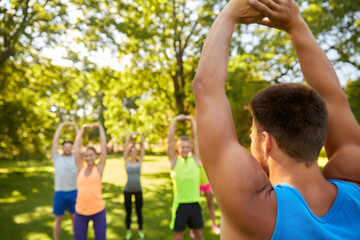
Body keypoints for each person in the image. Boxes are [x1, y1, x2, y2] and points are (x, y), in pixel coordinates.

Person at [192, 0, 360, 238]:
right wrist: (296, 24)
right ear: (318, 135)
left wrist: (230, 12)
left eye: (251, 137)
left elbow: (205, 88)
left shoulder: (255, 210)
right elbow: (334, 97)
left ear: (265, 141)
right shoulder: (354, 183)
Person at [168, 115, 204, 240]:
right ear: (178, 148)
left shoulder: (194, 159)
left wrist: (192, 121)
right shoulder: (174, 161)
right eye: (183, 147)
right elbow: (170, 140)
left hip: (195, 203)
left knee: (199, 234)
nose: (185, 149)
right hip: (180, 205)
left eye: (187, 147)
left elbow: (195, 139)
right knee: (178, 236)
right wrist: (174, 121)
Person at [74, 123, 107, 240]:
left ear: (95, 156)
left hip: (98, 211)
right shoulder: (80, 168)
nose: (88, 158)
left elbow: (103, 146)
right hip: (80, 211)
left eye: (91, 155)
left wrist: (100, 127)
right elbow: (76, 148)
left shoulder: (99, 168)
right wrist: (82, 129)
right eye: (86, 156)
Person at [51, 121, 79, 240]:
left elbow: (79, 142)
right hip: (60, 193)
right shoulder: (56, 158)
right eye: (65, 146)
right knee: (58, 219)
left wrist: (76, 127)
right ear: (62, 147)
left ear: (72, 148)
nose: (67, 148)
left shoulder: (76, 158)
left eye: (69, 146)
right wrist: (61, 126)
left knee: (75, 219)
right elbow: (54, 142)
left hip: (74, 192)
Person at [123, 131, 146, 240]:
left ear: (136, 152)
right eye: (131, 151)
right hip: (127, 190)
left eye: (135, 151)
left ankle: (140, 231)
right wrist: (129, 136)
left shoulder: (139, 161)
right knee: (128, 212)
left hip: (138, 190)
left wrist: (141, 136)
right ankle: (128, 231)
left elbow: (143, 149)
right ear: (129, 152)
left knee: (139, 212)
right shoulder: (126, 161)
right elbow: (124, 149)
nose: (133, 152)